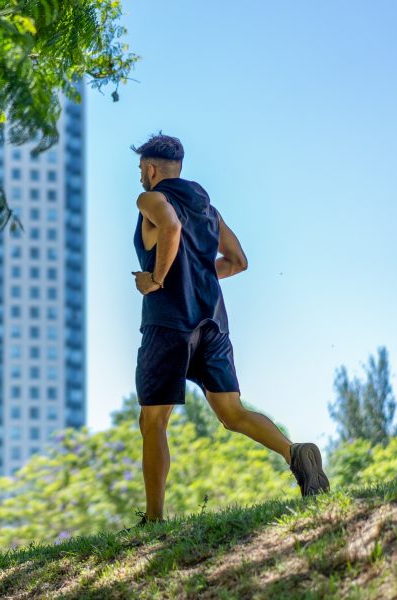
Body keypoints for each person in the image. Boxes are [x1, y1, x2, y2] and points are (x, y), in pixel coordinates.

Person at [127, 132, 329, 530]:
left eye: (140, 170)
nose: (140, 178)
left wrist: (157, 279)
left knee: (153, 420)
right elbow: (237, 261)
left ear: (151, 169)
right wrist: (195, 272)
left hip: (169, 323)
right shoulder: (207, 209)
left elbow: (169, 228)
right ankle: (295, 453)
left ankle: (153, 521)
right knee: (232, 413)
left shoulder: (150, 200)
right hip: (213, 321)